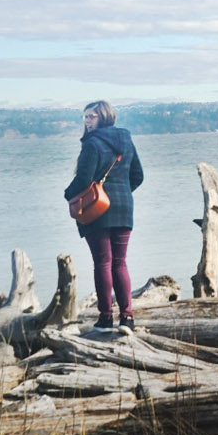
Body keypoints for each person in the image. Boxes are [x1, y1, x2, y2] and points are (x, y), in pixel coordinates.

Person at [64, 99, 144, 332]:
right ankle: (127, 317)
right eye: (85, 117)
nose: (87, 121)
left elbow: (83, 180)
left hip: (97, 210)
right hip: (124, 209)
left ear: (104, 117)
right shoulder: (126, 140)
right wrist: (122, 194)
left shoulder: (93, 143)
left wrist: (68, 195)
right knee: (119, 262)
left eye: (92, 116)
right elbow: (138, 175)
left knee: (103, 262)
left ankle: (106, 317)